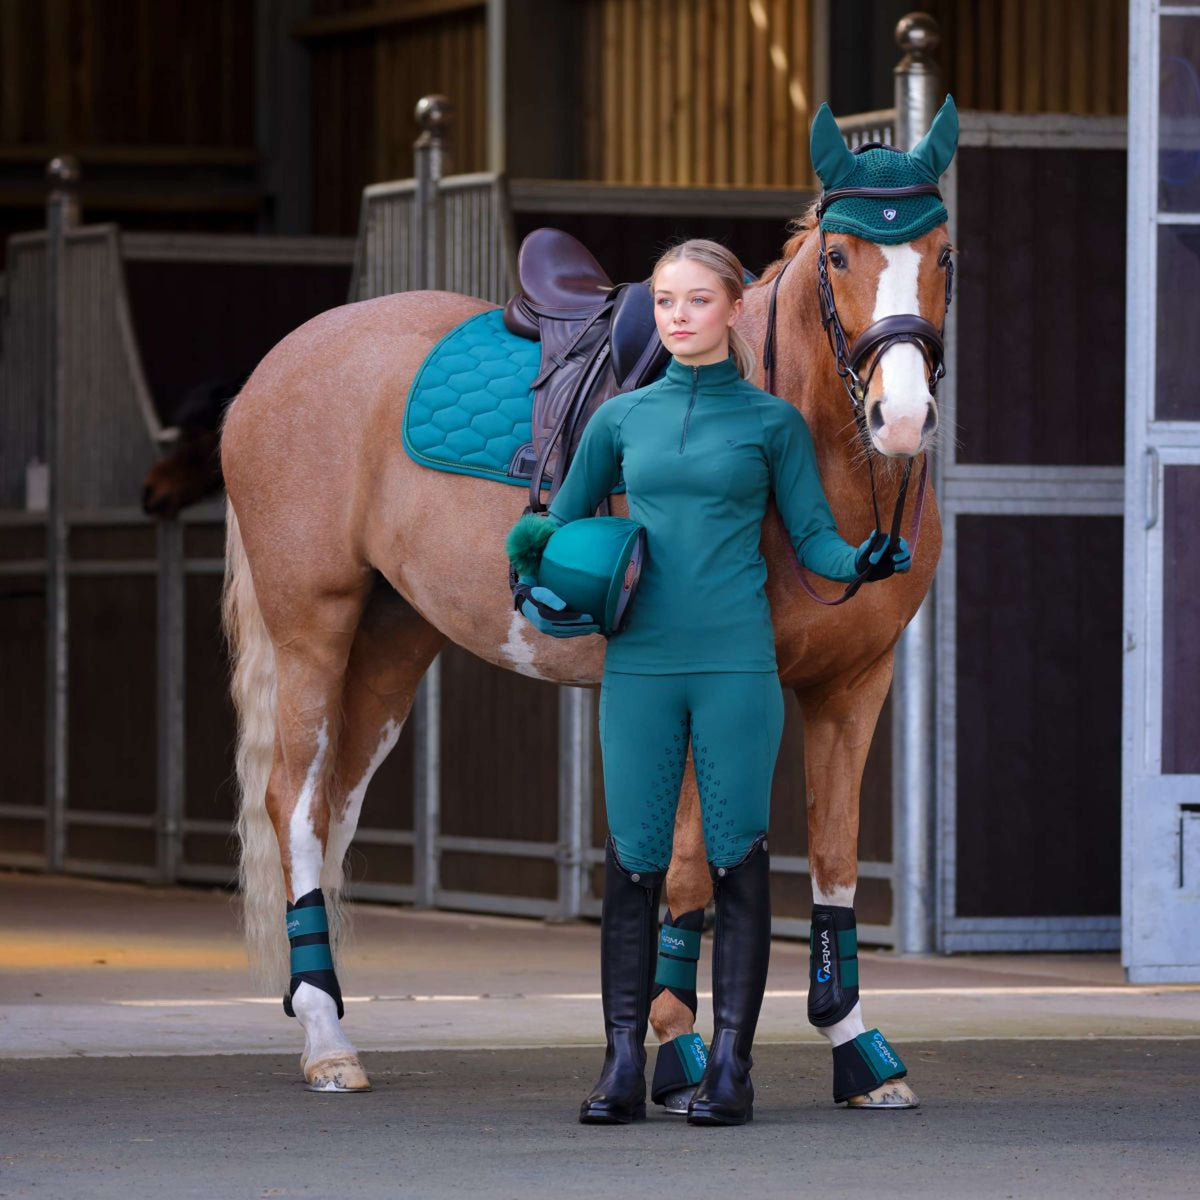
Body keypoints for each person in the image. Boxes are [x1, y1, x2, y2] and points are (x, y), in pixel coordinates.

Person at [507, 239, 909, 1126]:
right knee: (633, 864)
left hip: (736, 667)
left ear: (733, 310)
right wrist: (535, 566)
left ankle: (731, 1066)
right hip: (641, 668)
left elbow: (813, 543)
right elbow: (557, 524)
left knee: (737, 866)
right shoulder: (621, 420)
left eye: (695, 301)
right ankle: (621, 1064)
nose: (677, 317)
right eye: (663, 302)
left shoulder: (773, 426)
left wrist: (865, 562)